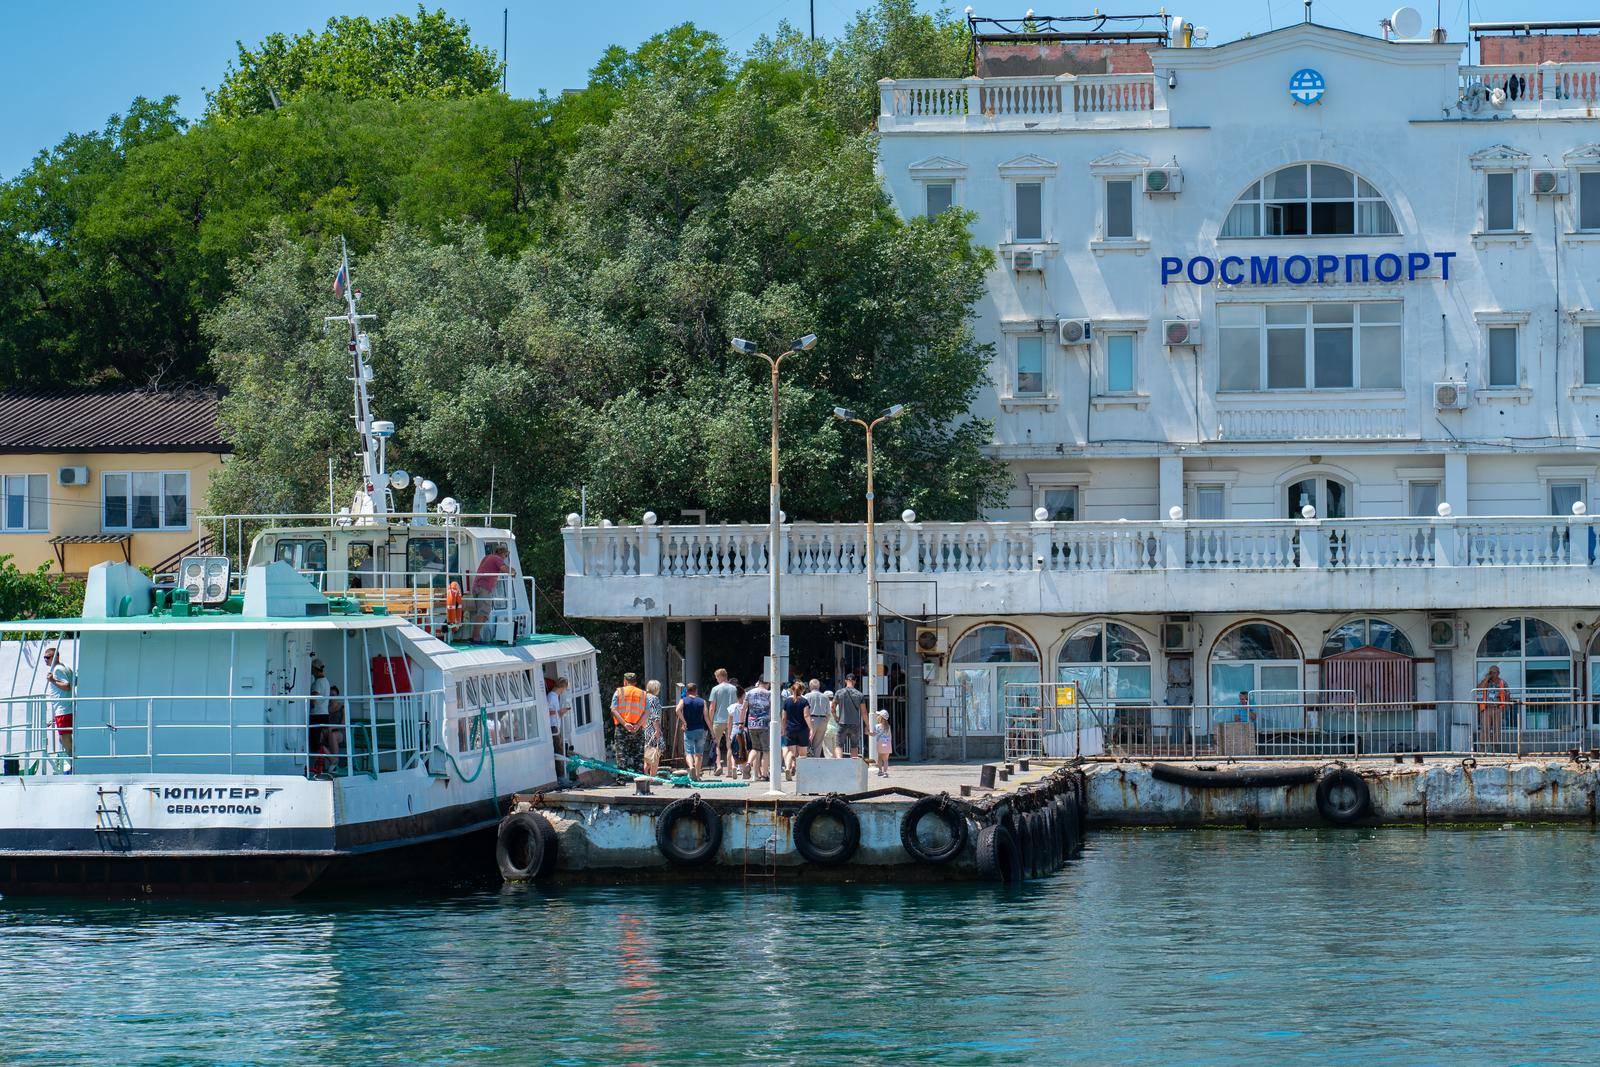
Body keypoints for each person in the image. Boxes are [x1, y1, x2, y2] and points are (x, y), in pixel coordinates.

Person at [471, 543, 512, 642]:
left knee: (481, 613)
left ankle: (476, 636)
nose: (505, 558)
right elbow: (504, 569)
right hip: (484, 588)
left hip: (476, 586)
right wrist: (513, 571)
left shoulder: (487, 557)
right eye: (506, 555)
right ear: (502, 553)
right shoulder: (497, 559)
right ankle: (475, 637)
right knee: (483, 613)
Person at [42, 646, 76, 758]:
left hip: (63, 710)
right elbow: (75, 681)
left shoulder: (57, 669)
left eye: (48, 657)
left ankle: (74, 764)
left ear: (55, 657)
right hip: (66, 708)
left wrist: (52, 680)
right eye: (44, 658)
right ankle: (73, 762)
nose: (45, 660)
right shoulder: (65, 667)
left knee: (65, 740)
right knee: (64, 740)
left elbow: (67, 686)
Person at [610, 672, 647, 772]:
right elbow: (647, 711)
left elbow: (613, 709)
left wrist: (624, 723)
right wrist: (638, 725)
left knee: (621, 755)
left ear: (625, 681)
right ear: (635, 682)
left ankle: (621, 779)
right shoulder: (643, 693)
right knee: (638, 755)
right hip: (637, 728)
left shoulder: (618, 692)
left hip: (622, 728)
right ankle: (640, 779)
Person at [707, 668, 738, 777]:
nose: (716, 679)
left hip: (718, 720)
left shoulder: (715, 689)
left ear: (720, 676)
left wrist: (710, 721)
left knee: (716, 744)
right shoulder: (734, 689)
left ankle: (719, 765)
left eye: (716, 677)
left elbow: (712, 707)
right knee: (730, 745)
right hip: (732, 719)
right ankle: (731, 768)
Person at [676, 681, 709, 781]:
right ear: (696, 691)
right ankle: (698, 775)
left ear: (687, 691)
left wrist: (684, 721)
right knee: (699, 753)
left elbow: (677, 710)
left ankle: (691, 767)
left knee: (689, 752)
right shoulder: (702, 701)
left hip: (689, 729)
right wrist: (711, 729)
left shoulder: (684, 700)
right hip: (700, 729)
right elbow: (706, 717)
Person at [781, 681, 812, 780]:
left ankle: (787, 768)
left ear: (792, 689)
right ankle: (802, 775)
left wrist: (783, 729)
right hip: (802, 729)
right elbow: (806, 715)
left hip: (790, 729)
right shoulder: (804, 701)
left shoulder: (787, 701)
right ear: (802, 690)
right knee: (803, 753)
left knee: (791, 752)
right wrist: (811, 728)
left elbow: (783, 717)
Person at [744, 679, 772, 780]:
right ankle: (765, 774)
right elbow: (773, 709)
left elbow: (744, 708)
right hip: (764, 724)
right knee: (765, 750)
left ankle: (748, 764)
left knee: (755, 748)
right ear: (767, 683)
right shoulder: (769, 693)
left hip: (751, 724)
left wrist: (741, 723)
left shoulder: (749, 693)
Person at [1477, 665, 1510, 747]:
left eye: (1493, 672)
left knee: (1497, 729)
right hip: (1486, 708)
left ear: (1498, 673)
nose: (1491, 674)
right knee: (1485, 729)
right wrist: (1486, 678)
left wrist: (1506, 705)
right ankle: (1483, 748)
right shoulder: (1486, 682)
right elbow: (1478, 689)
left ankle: (1496, 748)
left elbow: (1508, 695)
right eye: (1490, 672)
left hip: (1498, 708)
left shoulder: (1502, 682)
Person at [834, 674, 865, 759]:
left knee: (839, 745)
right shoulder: (860, 694)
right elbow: (864, 712)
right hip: (854, 723)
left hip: (842, 722)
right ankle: (853, 767)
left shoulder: (839, 693)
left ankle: (839, 763)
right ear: (855, 681)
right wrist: (868, 725)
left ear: (845, 681)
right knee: (854, 746)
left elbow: (832, 707)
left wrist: (835, 717)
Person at [643, 679, 665, 778]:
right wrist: (657, 729)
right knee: (656, 753)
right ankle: (653, 776)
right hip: (652, 728)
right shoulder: (654, 699)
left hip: (645, 728)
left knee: (648, 752)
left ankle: (645, 773)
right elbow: (654, 715)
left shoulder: (643, 698)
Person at [804, 679, 830, 758]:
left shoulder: (807, 696)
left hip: (811, 719)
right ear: (819, 686)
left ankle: (806, 760)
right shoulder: (825, 697)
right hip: (822, 720)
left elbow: (805, 710)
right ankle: (816, 760)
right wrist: (826, 720)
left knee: (807, 741)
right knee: (818, 744)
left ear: (810, 686)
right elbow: (828, 712)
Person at [872, 709, 893, 777]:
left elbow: (874, 734)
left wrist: (867, 732)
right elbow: (890, 736)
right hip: (887, 743)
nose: (877, 716)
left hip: (880, 743)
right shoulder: (888, 726)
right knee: (886, 760)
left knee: (879, 758)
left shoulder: (877, 726)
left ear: (880, 717)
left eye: (878, 715)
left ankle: (880, 771)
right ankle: (885, 772)